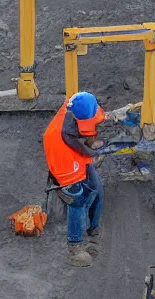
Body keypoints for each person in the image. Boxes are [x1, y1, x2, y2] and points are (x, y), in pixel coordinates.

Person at [43, 91, 106, 267]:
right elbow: (72, 167)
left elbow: (95, 117)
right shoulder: (55, 139)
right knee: (78, 199)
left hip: (77, 157)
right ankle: (75, 247)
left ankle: (93, 236)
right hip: (66, 167)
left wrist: (92, 143)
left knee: (98, 190)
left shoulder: (79, 103)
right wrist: (92, 154)